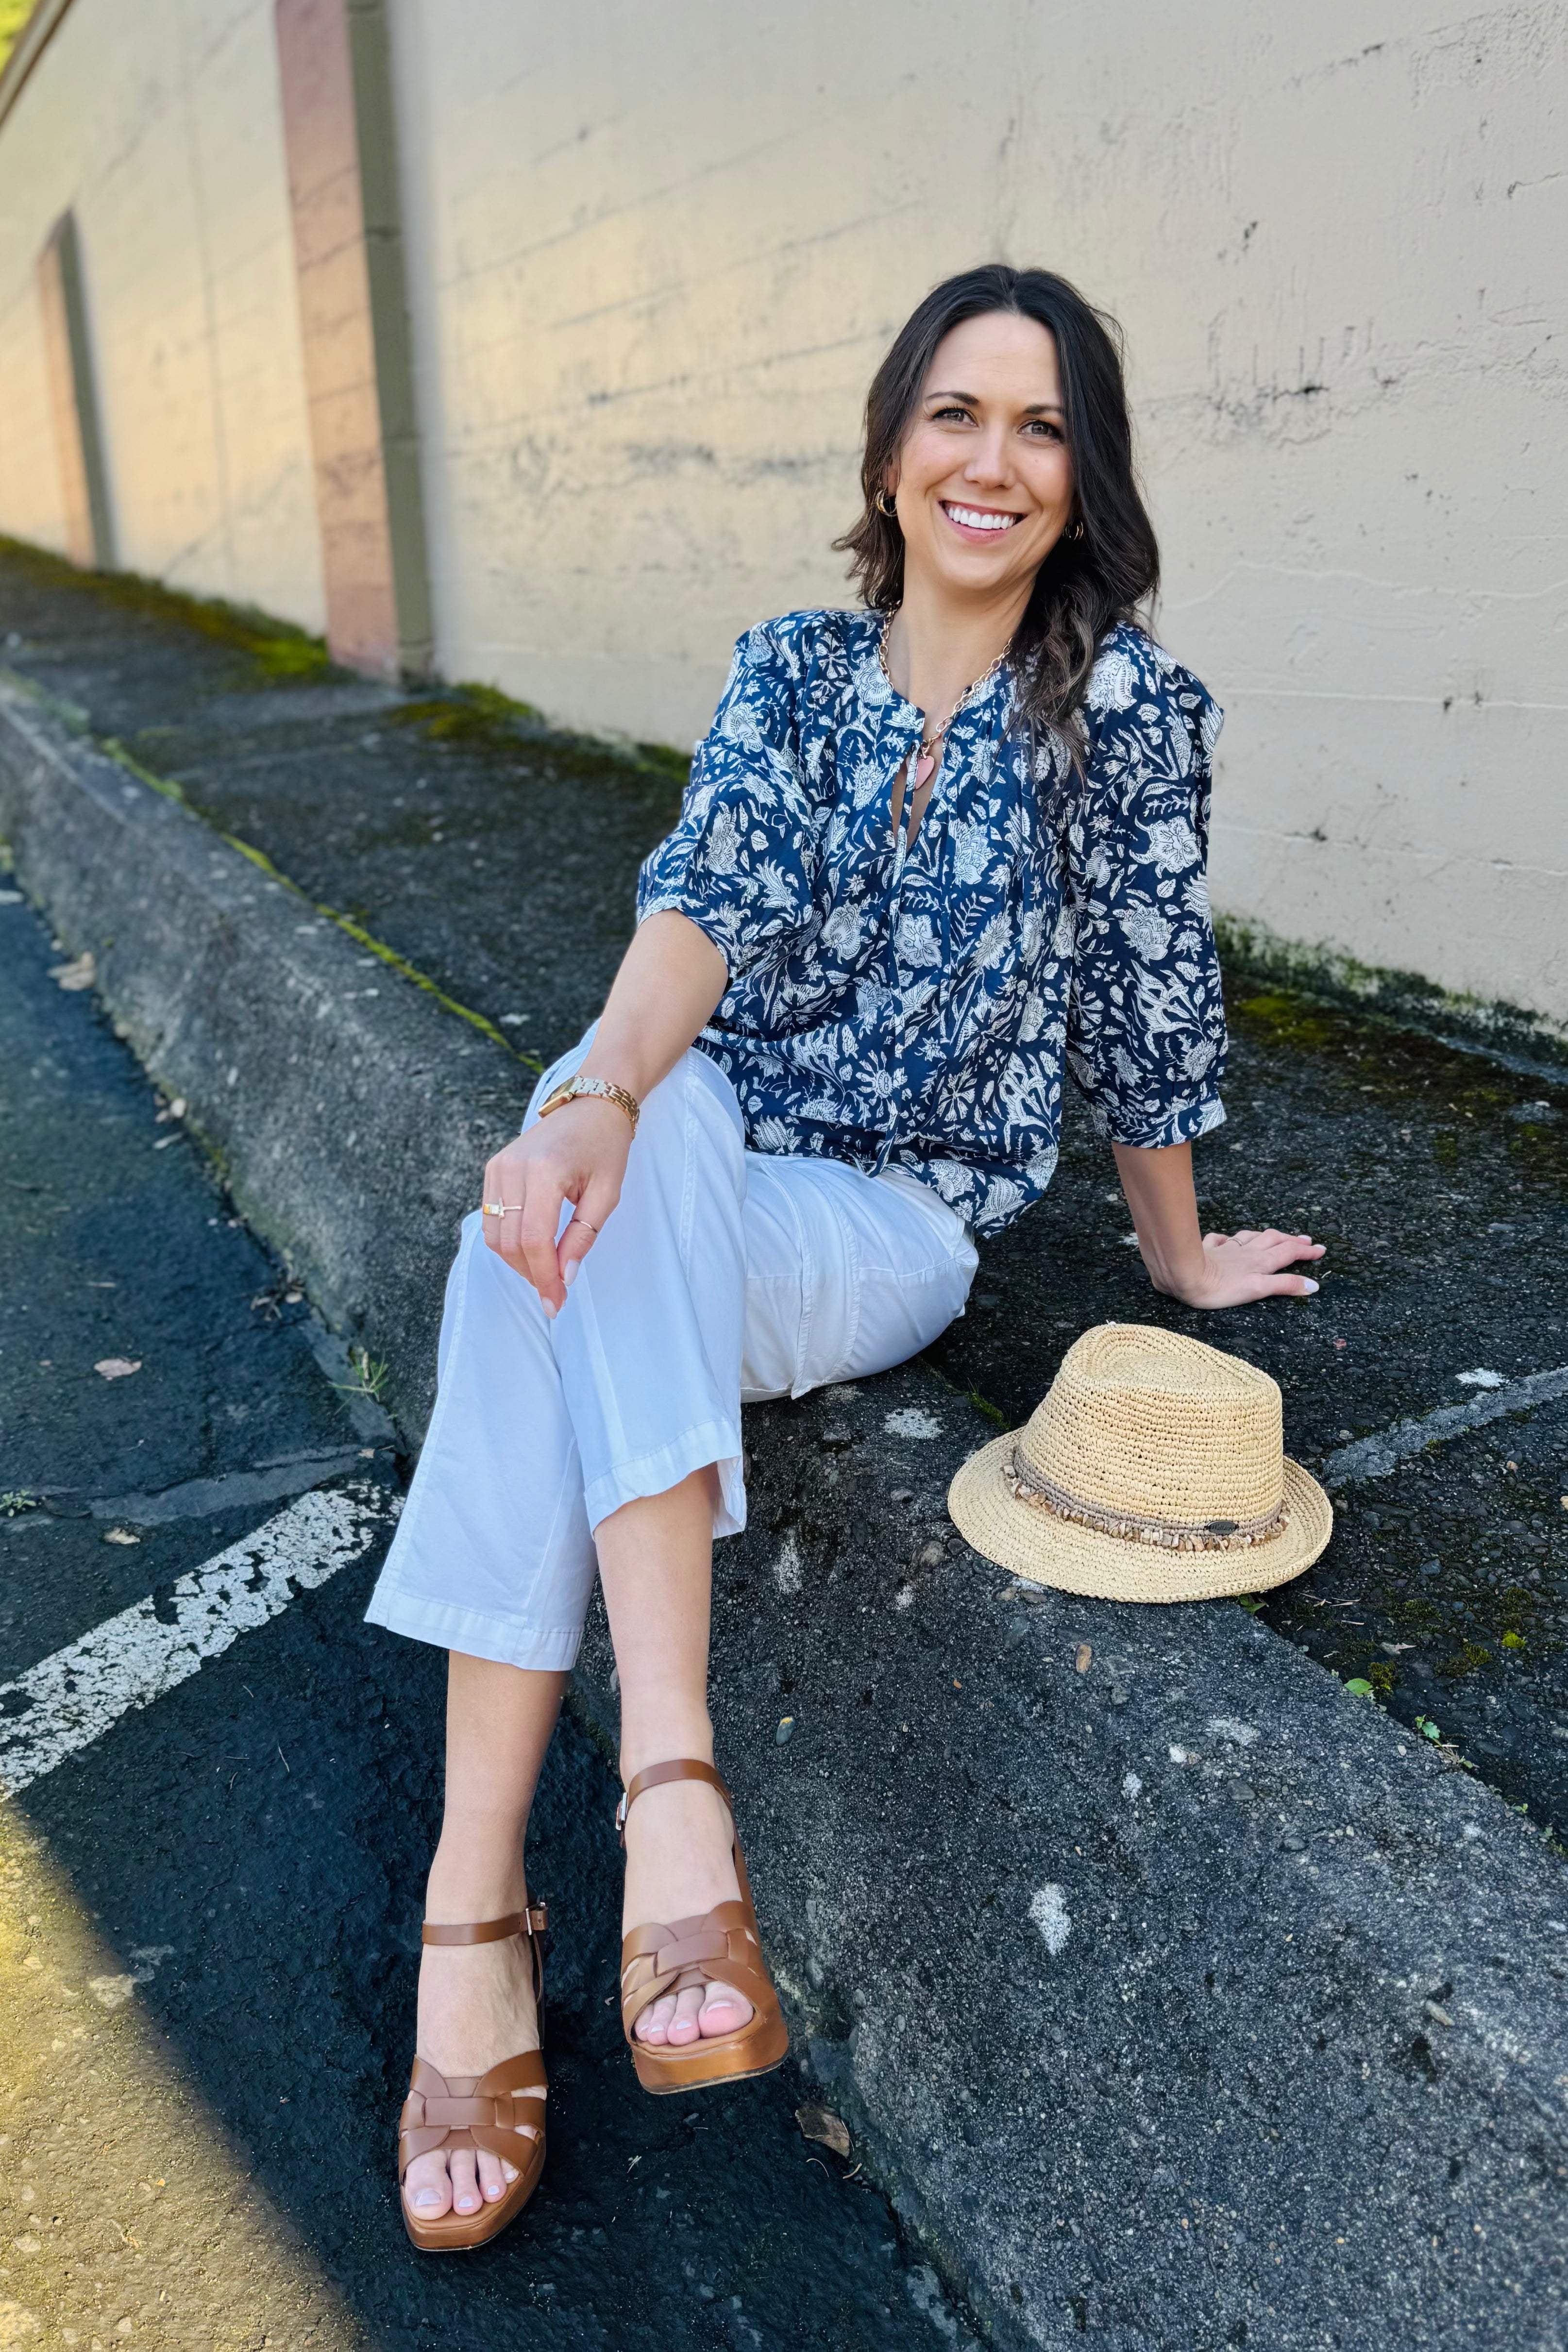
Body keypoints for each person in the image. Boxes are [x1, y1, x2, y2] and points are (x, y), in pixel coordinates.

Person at [366, 262, 1326, 2248]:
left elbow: (1145, 1006)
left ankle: (483, 1902)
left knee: (547, 1246)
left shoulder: (1122, 712)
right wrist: (605, 1094)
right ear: (891, 448)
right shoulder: (788, 673)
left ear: (1085, 477)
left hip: (881, 1223)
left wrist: (1177, 1252)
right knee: (589, 1154)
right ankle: (659, 1818)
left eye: (1044, 424)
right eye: (956, 413)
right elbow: (696, 907)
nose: (995, 459)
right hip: (697, 1151)